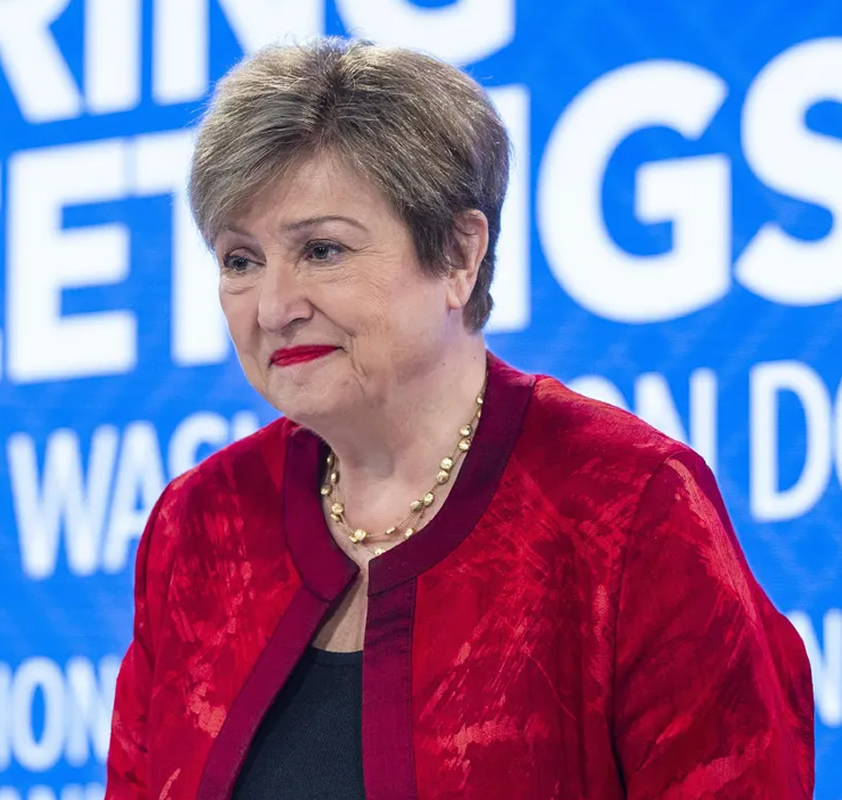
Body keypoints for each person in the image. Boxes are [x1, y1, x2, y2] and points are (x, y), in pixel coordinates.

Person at [106, 37, 815, 800]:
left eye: (321, 250)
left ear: (457, 254)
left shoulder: (627, 503)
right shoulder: (201, 526)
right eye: (240, 260)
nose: (275, 308)